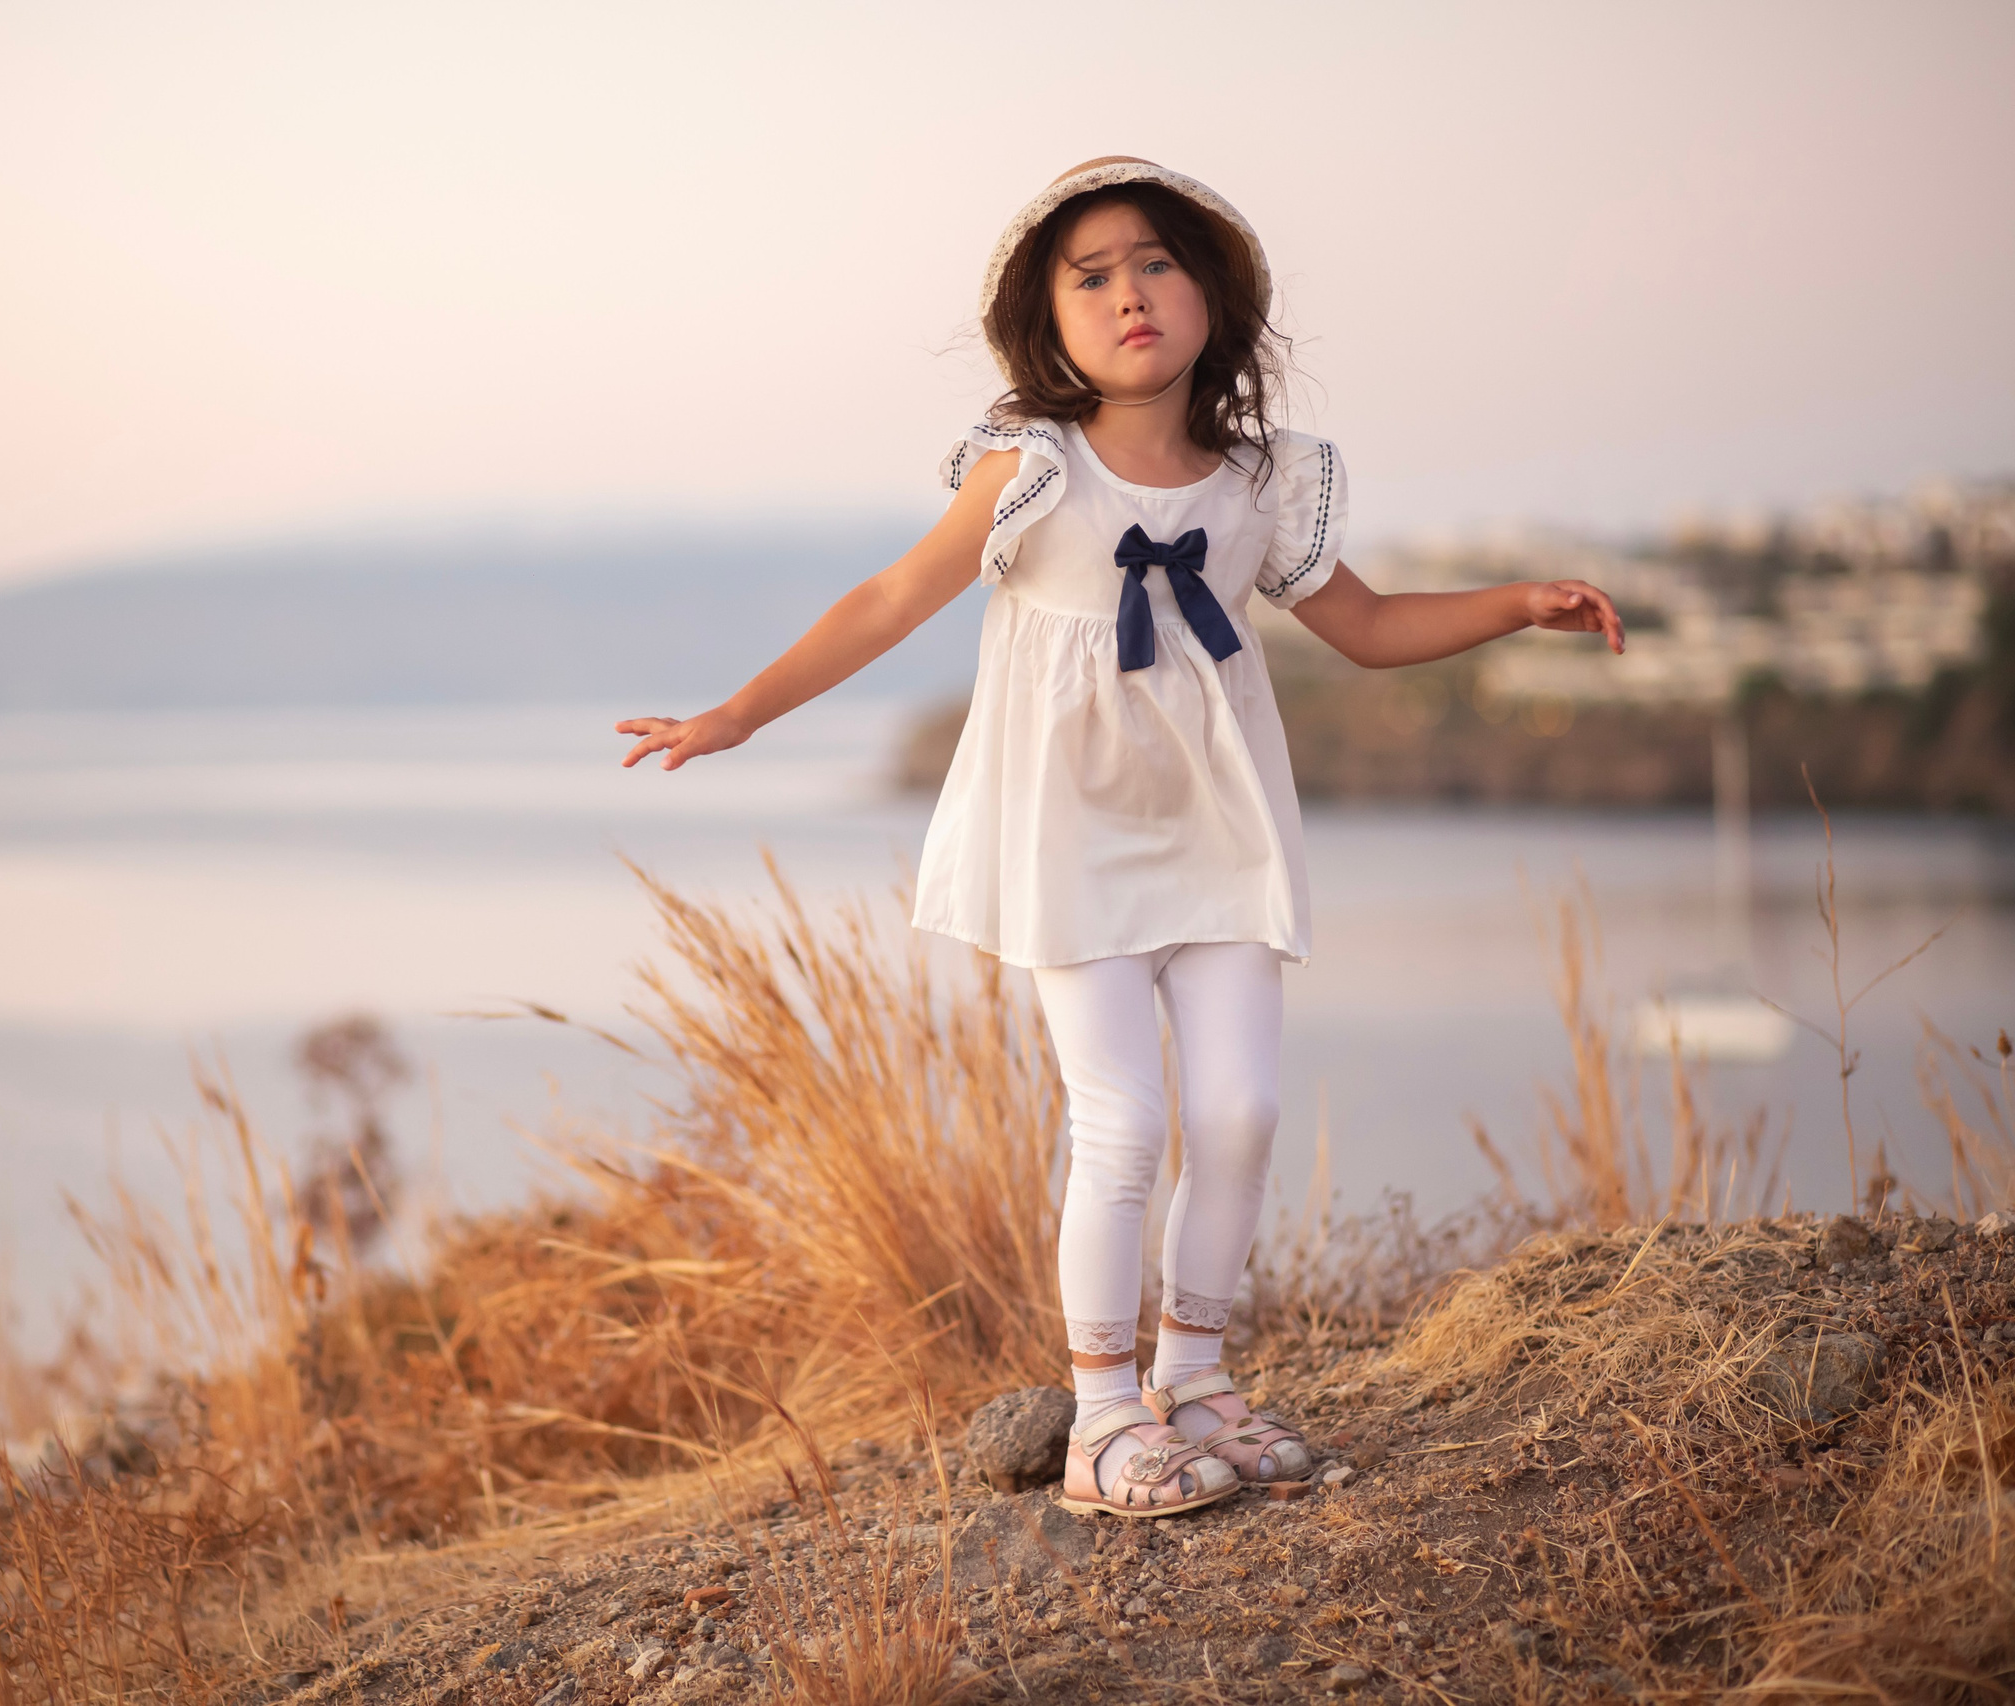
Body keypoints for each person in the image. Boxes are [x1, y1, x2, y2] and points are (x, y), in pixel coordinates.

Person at [616, 157, 1624, 1518]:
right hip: (1069, 842)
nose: (1129, 293)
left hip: (1217, 832)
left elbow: (1371, 630)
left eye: (1155, 262)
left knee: (1241, 1111)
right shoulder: (1034, 469)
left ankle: (1197, 1383)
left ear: (1213, 293)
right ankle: (1101, 1418)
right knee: (1124, 1122)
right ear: (1049, 320)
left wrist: (1519, 604)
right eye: (1089, 277)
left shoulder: (1262, 481)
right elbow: (891, 596)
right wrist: (739, 712)